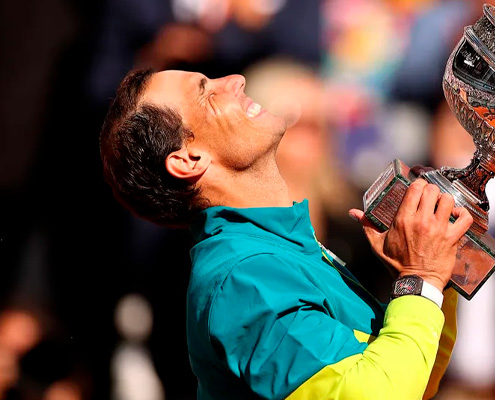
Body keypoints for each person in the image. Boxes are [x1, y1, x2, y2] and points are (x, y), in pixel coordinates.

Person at [98, 68, 472, 399]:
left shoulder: (280, 250)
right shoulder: (242, 278)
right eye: (208, 94)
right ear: (188, 160)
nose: (235, 81)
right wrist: (420, 277)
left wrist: (438, 267)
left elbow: (412, 380)